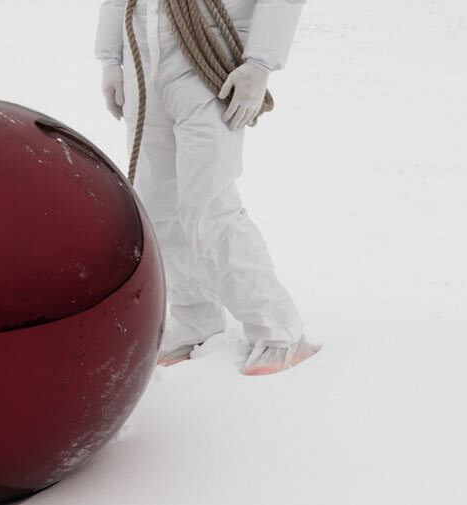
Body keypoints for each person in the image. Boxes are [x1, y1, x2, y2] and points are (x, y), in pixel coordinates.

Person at [94, 0, 319, 375]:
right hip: (144, 59)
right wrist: (110, 59)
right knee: (157, 206)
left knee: (209, 206)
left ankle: (279, 331)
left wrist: (260, 63)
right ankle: (196, 318)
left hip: (208, 56)